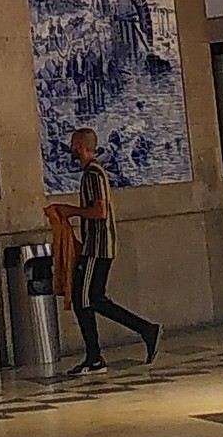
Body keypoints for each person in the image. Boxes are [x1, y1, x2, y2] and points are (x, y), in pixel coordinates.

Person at [67, 126, 162, 368]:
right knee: (92, 298)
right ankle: (138, 333)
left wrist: (70, 211)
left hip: (96, 248)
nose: (71, 149)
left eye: (74, 144)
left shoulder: (93, 174)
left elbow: (99, 211)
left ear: (80, 146)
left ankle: (100, 351)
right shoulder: (93, 173)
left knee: (86, 298)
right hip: (98, 247)